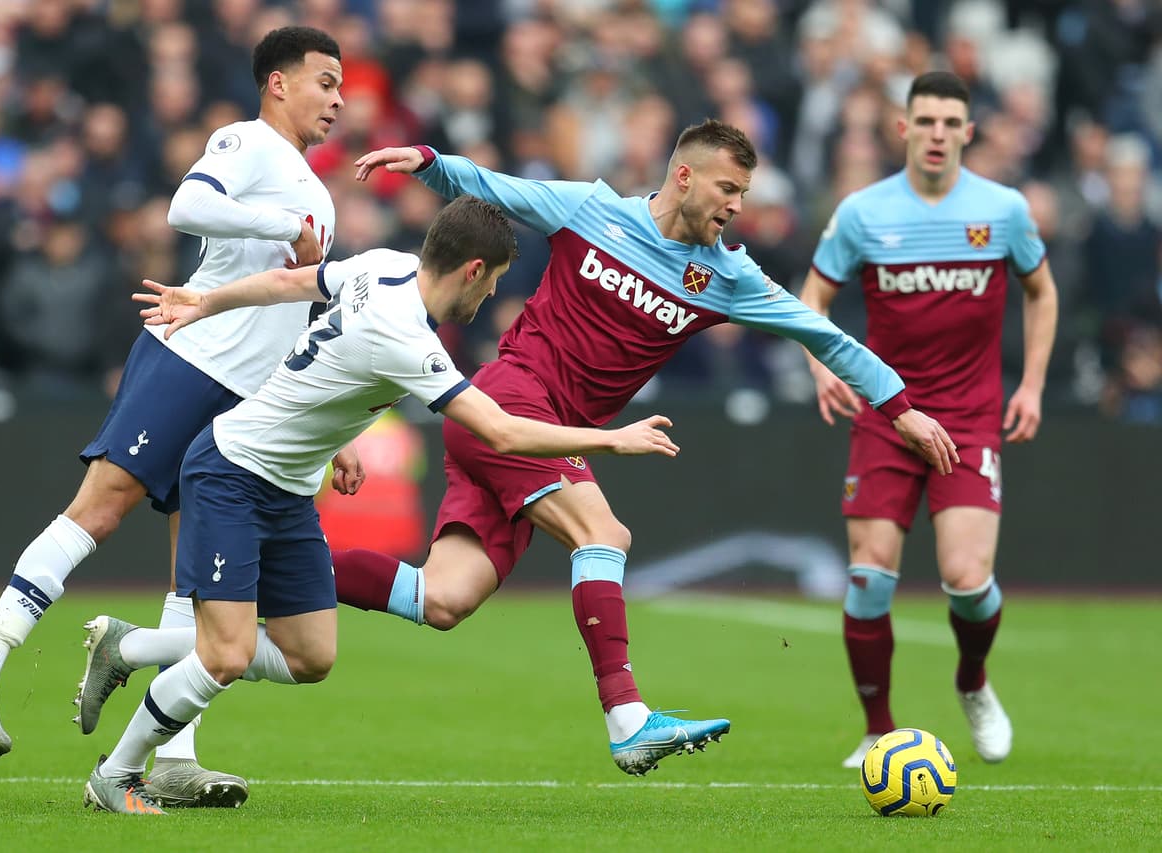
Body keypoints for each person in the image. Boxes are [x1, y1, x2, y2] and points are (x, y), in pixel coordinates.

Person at [335, 120, 959, 777]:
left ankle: (268, 571)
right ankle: (628, 718)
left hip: (532, 430)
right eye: (727, 187)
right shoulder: (591, 210)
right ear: (683, 177)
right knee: (603, 533)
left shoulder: (728, 277)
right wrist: (428, 160)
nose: (736, 205)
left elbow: (825, 337)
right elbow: (496, 188)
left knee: (442, 598)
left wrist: (901, 408)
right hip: (510, 402)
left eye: (743, 193)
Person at [76, 195, 684, 814]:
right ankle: (117, 775)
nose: (486, 299)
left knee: (310, 656)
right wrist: (610, 437)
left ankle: (128, 649)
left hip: (288, 489)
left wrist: (209, 302)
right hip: (232, 472)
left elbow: (292, 282)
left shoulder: (383, 266)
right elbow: (499, 431)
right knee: (227, 654)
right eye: (494, 280)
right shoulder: (410, 339)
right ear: (473, 270)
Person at [0, 26, 346, 809]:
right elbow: (187, 204)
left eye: (342, 85)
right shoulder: (246, 140)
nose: (338, 98)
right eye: (324, 80)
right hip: (191, 359)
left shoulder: (317, 192)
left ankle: (177, 755)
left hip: (247, 398)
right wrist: (278, 226)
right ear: (278, 83)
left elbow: (299, 305)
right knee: (103, 507)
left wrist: (329, 417)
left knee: (199, 572)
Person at [796, 71, 1058, 768]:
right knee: (869, 576)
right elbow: (813, 294)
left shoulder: (1002, 210)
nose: (938, 133)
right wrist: (820, 365)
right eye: (926, 121)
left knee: (968, 581)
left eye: (951, 122)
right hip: (888, 414)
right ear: (902, 128)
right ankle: (879, 729)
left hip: (969, 418)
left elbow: (1042, 291)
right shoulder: (863, 213)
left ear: (969, 133)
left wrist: (1030, 384)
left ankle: (972, 680)